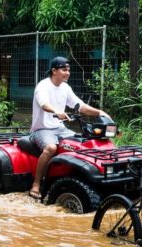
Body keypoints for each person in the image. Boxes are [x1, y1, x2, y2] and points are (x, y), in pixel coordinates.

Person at [28, 56, 109, 199]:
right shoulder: (43, 86)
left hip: (60, 128)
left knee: (81, 144)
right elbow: (44, 104)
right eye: (64, 70)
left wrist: (99, 112)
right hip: (42, 129)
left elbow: (79, 105)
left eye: (68, 70)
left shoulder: (65, 88)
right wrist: (56, 111)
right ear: (54, 71)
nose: (68, 73)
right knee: (51, 148)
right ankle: (36, 184)